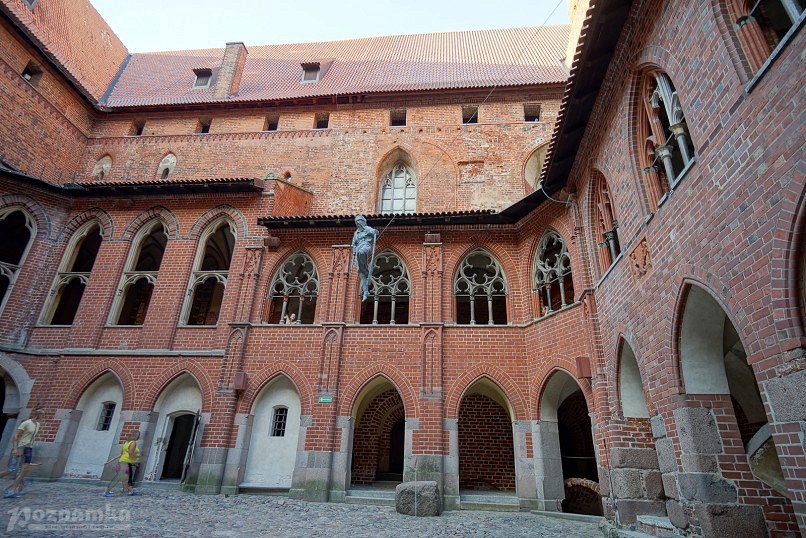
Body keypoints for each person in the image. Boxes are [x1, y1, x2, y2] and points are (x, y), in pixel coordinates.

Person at [3, 407, 44, 498]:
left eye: (43, 414)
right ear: (36, 413)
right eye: (40, 414)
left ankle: (13, 489)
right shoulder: (26, 423)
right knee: (10, 470)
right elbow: (16, 436)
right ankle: (14, 488)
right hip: (20, 447)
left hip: (29, 448)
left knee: (25, 469)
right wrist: (15, 449)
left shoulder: (37, 424)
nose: (42, 416)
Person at [351, 215, 379, 301]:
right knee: (361, 272)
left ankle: (365, 271)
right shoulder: (356, 233)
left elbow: (376, 232)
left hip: (366, 245)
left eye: (359, 221)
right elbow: (354, 243)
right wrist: (354, 249)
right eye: (357, 222)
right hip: (358, 247)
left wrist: (373, 231)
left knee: (361, 252)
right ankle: (365, 291)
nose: (358, 223)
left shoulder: (367, 228)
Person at [104, 431, 141, 496]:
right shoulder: (133, 443)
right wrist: (135, 460)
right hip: (126, 462)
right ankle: (107, 491)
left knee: (127, 478)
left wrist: (110, 461)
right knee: (119, 478)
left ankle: (130, 491)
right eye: (138, 435)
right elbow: (130, 453)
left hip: (123, 462)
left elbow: (121, 454)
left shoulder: (126, 443)